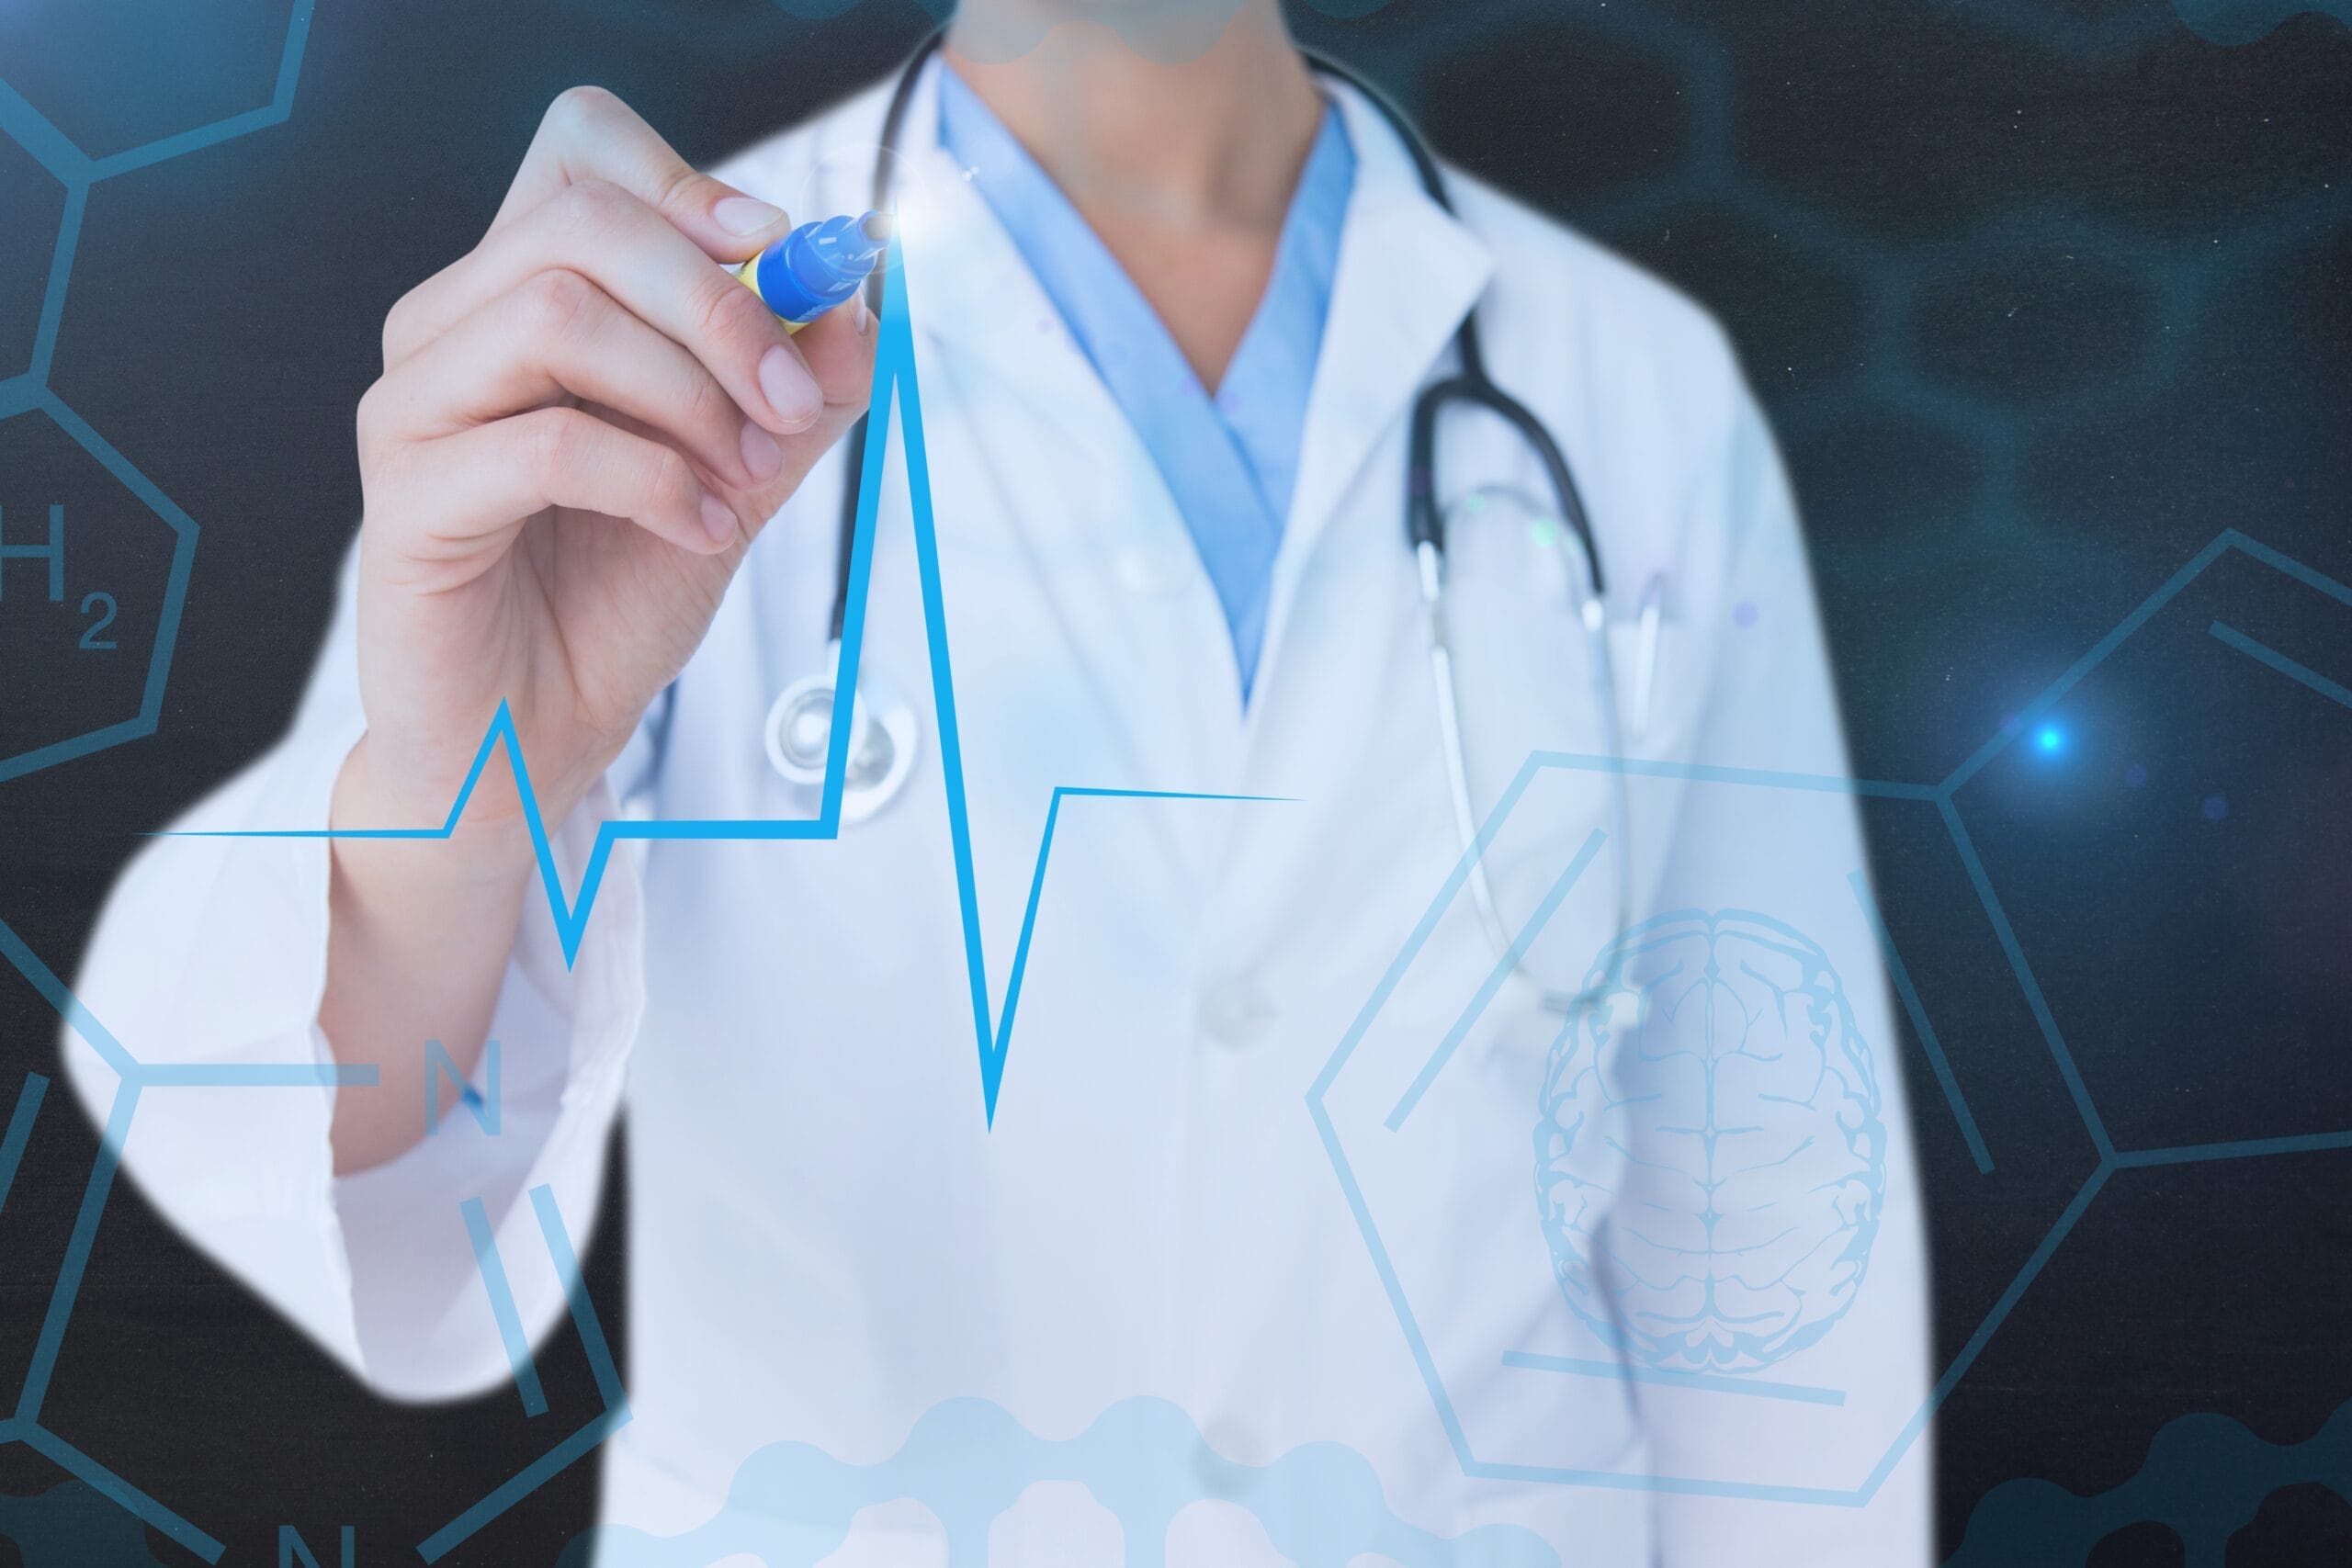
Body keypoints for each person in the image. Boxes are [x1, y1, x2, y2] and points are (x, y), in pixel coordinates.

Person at [65, 1, 1933, 1561]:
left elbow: (1767, 1222)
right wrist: (489, 767)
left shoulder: (1629, 385)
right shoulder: (652, 350)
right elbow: (332, 1141)